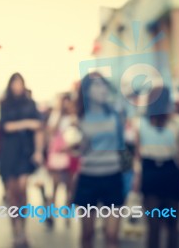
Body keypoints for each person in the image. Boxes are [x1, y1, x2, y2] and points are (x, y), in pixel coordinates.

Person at [73, 72, 124, 248]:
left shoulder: (116, 115)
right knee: (87, 234)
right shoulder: (80, 119)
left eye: (104, 85)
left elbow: (123, 146)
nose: (102, 89)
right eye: (97, 85)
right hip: (89, 178)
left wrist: (131, 175)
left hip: (113, 176)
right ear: (87, 91)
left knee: (112, 235)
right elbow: (76, 150)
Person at [133, 87, 179, 248]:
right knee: (171, 225)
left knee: (154, 225)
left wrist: (137, 177)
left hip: (152, 173)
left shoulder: (141, 123)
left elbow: (137, 154)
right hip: (169, 173)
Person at [0, 73, 44, 248]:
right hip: (9, 153)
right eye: (14, 83)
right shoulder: (5, 104)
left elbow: (39, 127)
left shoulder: (30, 104)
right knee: (12, 195)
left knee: (23, 191)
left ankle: (23, 231)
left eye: (20, 83)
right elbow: (6, 127)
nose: (17, 86)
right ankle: (15, 232)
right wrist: (26, 124)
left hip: (25, 153)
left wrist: (38, 151)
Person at [46, 93, 79, 228]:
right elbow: (50, 132)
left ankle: (67, 214)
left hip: (71, 156)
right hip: (57, 157)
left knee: (69, 188)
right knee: (55, 186)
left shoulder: (75, 117)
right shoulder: (56, 116)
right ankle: (51, 214)